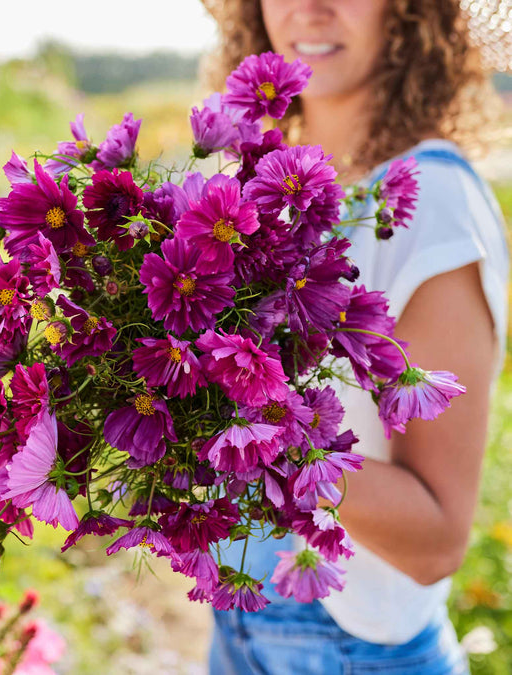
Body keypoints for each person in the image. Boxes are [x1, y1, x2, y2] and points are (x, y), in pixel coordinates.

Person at [201, 1, 511, 673]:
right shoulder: (258, 183)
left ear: (412, 13)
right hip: (239, 626)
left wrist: (252, 427)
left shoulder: (428, 205)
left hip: (350, 648)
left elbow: (436, 539)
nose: (310, 8)